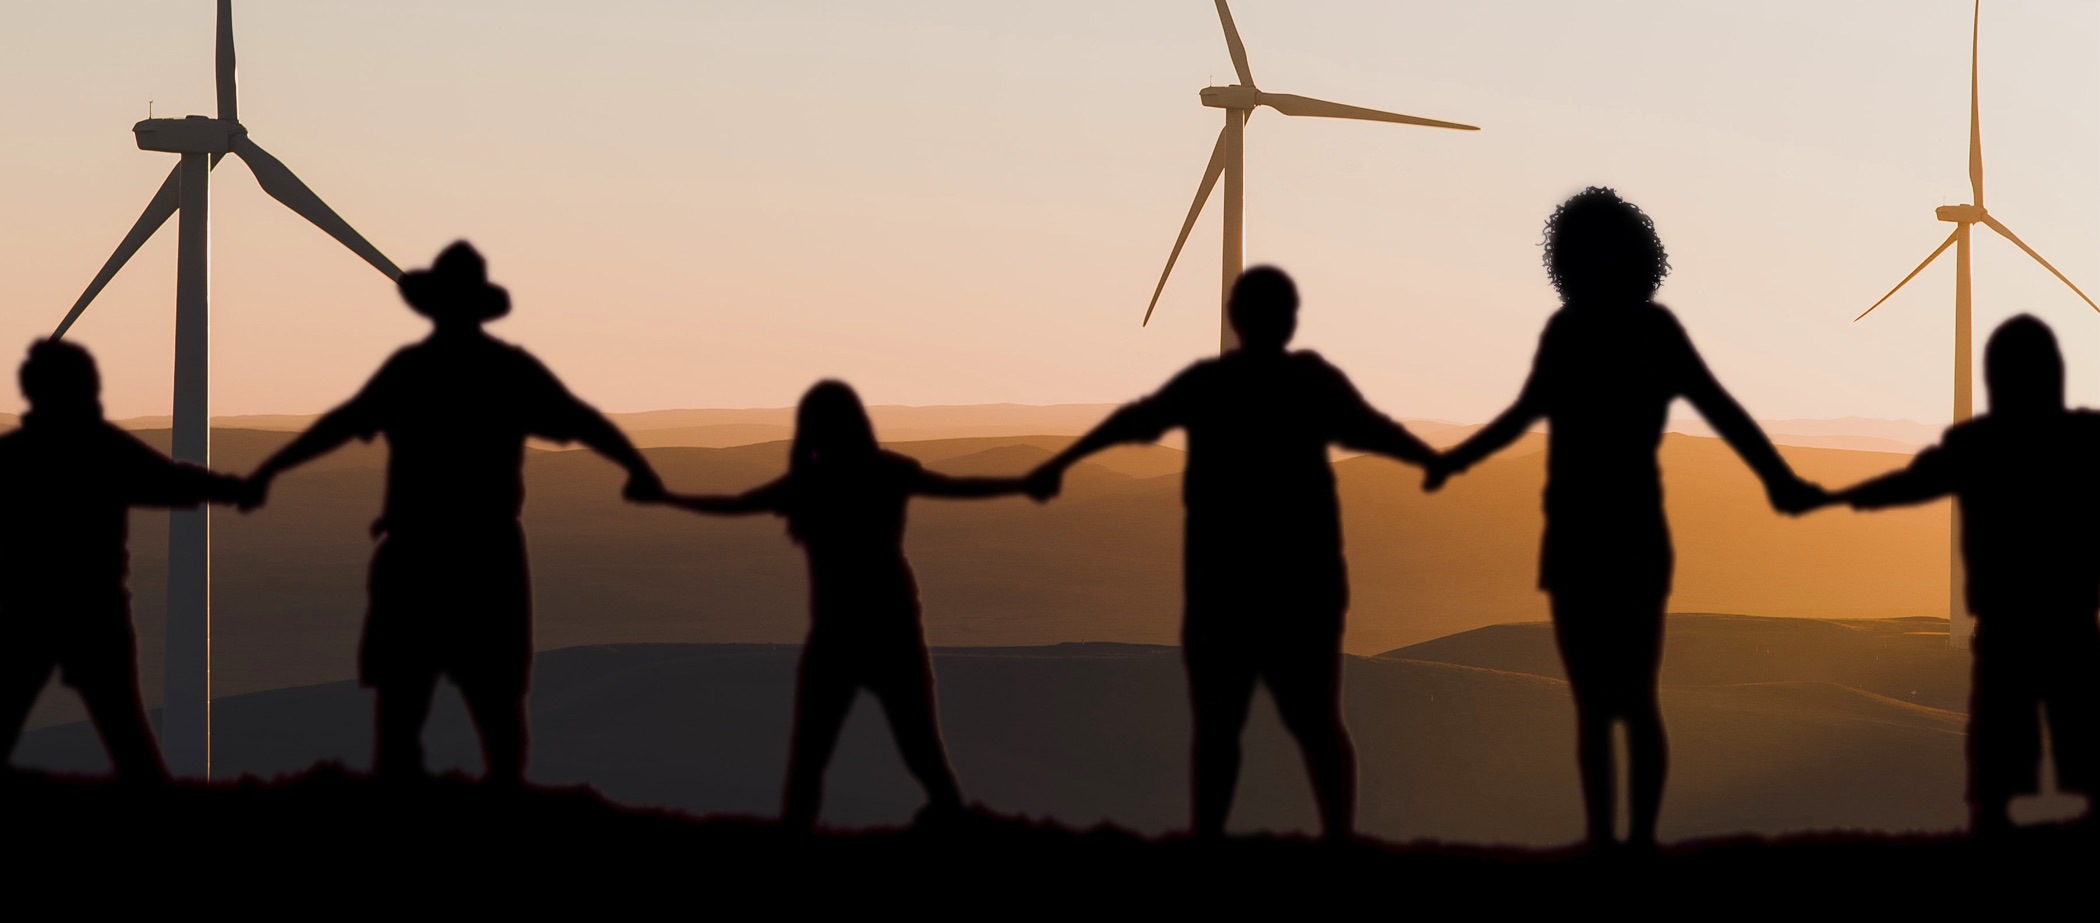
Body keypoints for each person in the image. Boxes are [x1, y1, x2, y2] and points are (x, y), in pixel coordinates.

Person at [1430, 187, 1824, 850]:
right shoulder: (1630, 331)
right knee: (1624, 699)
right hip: (1614, 535)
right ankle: (1622, 838)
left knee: (1613, 702)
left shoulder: (1609, 332)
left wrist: (1456, 458)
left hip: (1597, 535)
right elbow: (1720, 410)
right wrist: (1778, 479)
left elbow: (1528, 413)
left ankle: (1619, 839)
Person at [1027, 266, 1438, 841]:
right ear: (1290, 319)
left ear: (1233, 319)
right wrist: (1432, 460)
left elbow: (1132, 419)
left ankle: (1210, 841)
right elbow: (1374, 429)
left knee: (1220, 728)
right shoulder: (1311, 382)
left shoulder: (1207, 385)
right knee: (1317, 721)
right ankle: (1338, 841)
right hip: (1303, 586)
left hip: (1224, 589)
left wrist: (1058, 464)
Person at [241, 241, 664, 785]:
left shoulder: (411, 370)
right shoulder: (508, 370)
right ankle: (501, 801)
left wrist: (268, 471)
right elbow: (581, 420)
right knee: (497, 703)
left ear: (435, 305)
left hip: (417, 555)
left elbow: (343, 423)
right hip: (487, 555)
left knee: (403, 702)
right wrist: (638, 469)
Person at [665, 380, 1027, 828]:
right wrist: (1024, 483)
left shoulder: (810, 486)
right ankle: (955, 826)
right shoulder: (888, 472)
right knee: (921, 753)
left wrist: (666, 498)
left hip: (838, 636)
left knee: (812, 760)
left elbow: (736, 505)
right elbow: (958, 488)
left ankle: (802, 834)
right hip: (892, 631)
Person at [1835, 315, 2100, 836]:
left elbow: (1911, 484)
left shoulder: (1978, 443)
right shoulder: (2086, 435)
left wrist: (1835, 496)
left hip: (2009, 626)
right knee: (2081, 741)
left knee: (2000, 754)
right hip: (2068, 623)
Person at [0, 340, 248, 782]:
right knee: (127, 737)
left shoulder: (14, 454)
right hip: (93, 611)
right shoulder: (98, 447)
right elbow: (166, 481)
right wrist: (234, 489)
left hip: (28, 610)